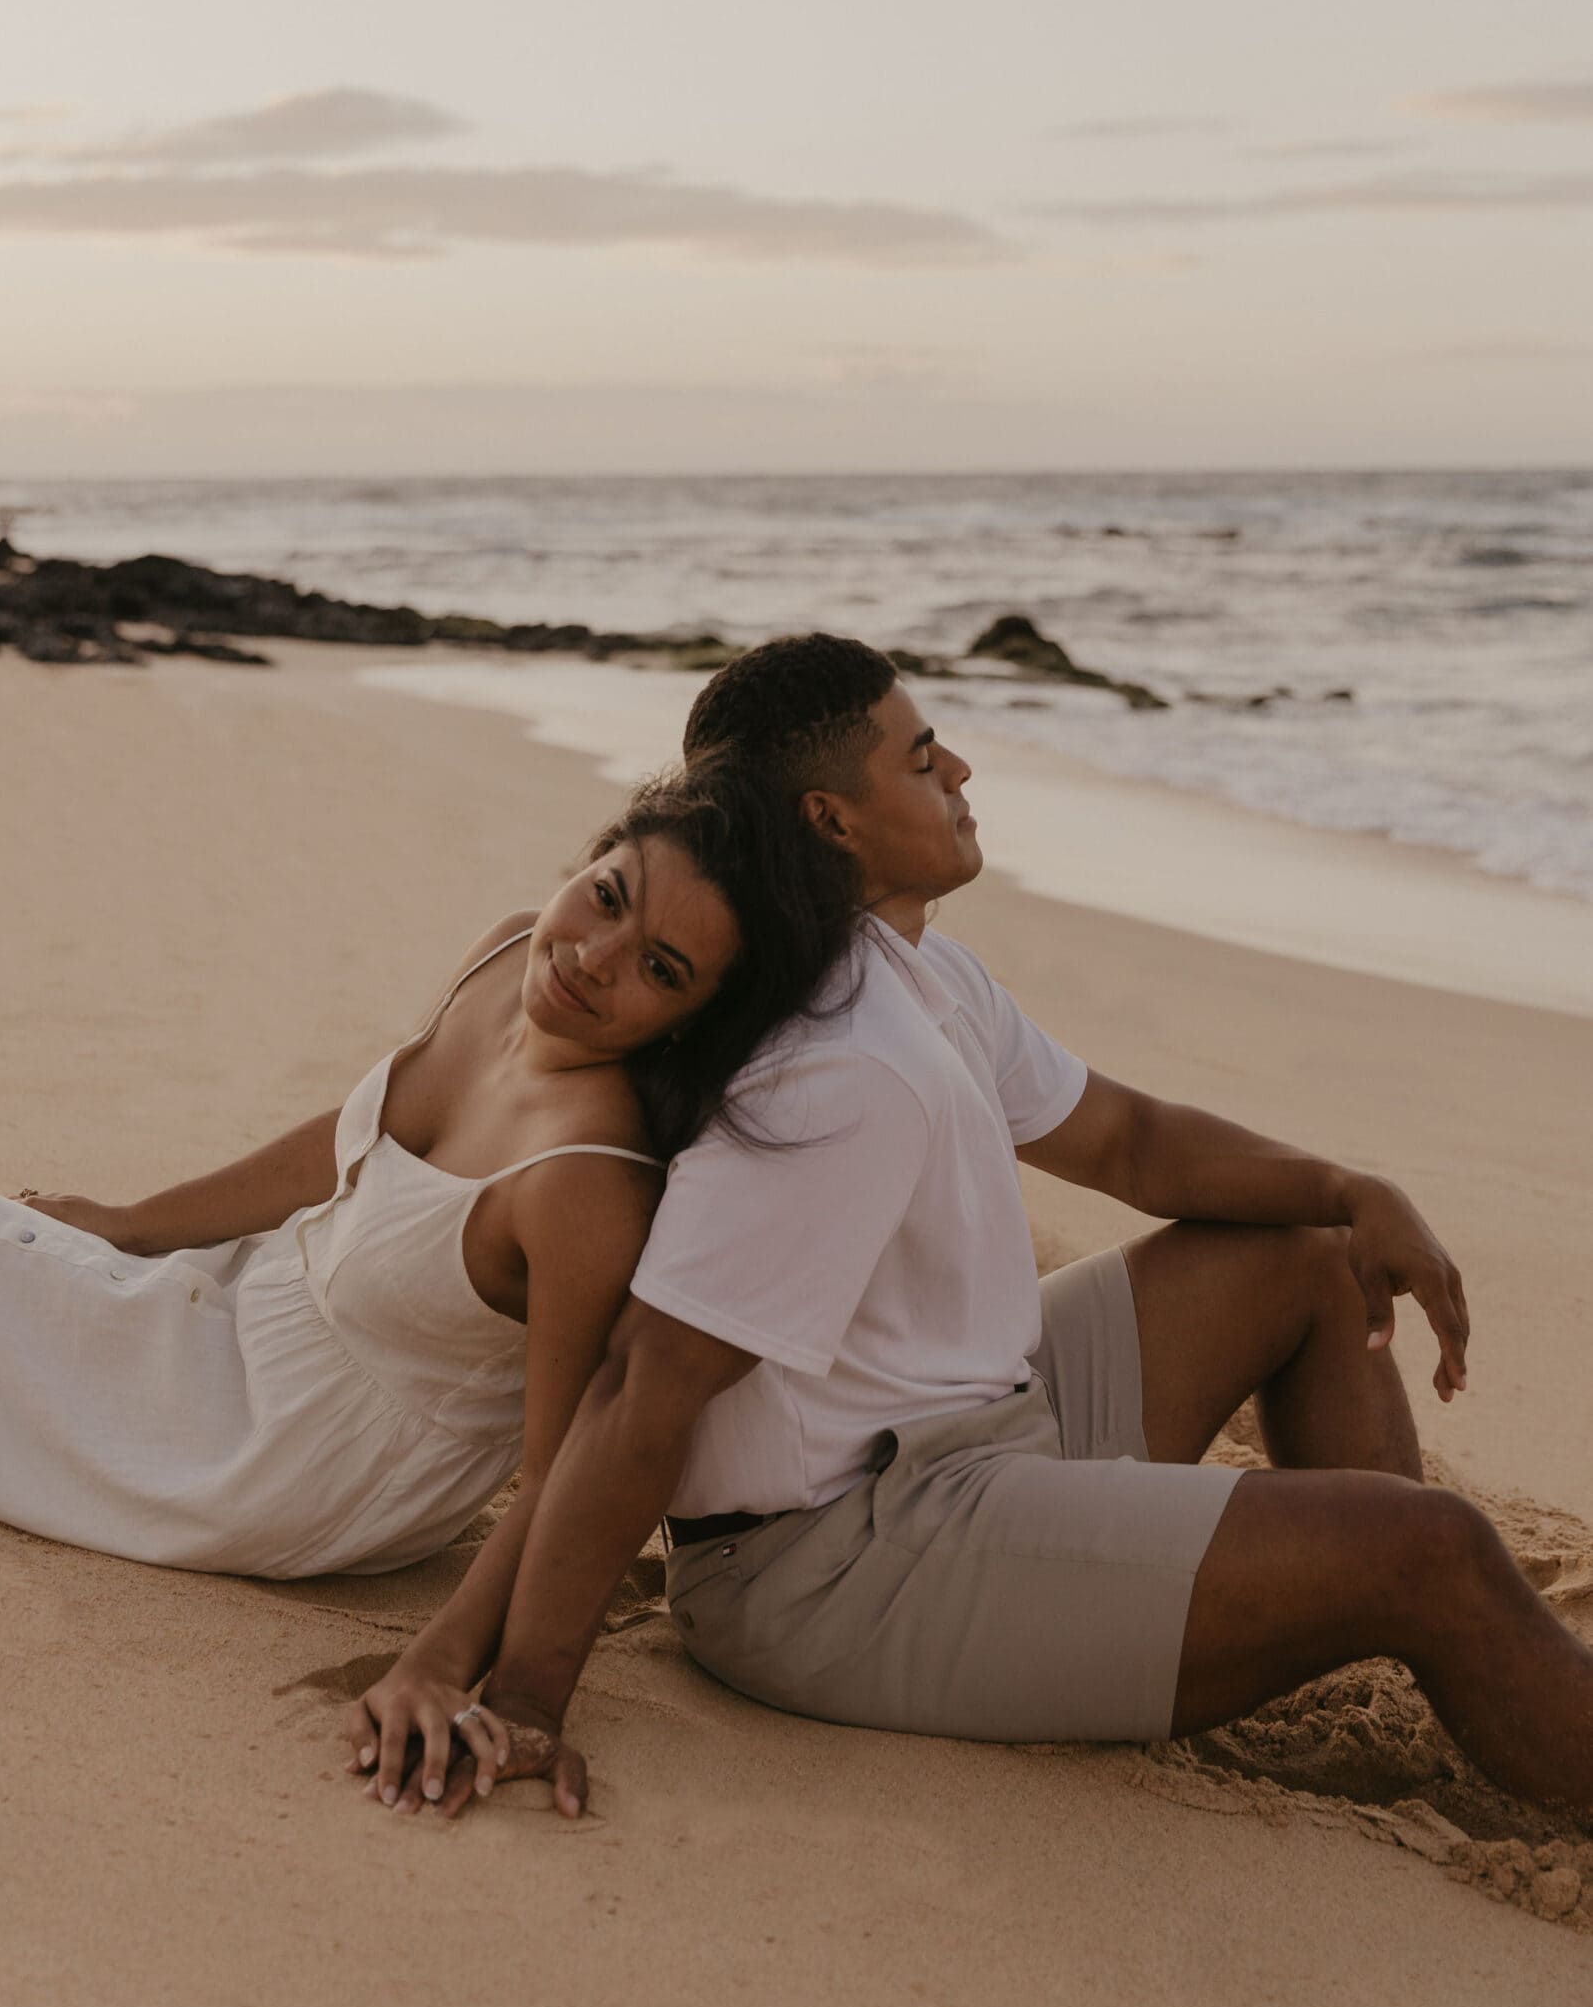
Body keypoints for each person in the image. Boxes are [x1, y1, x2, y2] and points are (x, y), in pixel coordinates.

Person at [405, 633, 1593, 1823]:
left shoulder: (919, 976)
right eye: (922, 760)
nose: (961, 769)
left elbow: (1130, 1140)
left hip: (979, 1421)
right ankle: (1419, 1605)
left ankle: (1400, 1623)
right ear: (832, 821)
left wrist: (1350, 1188)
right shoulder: (834, 1063)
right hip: (836, 1561)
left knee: (1310, 1260)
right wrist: (525, 1695)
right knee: (1431, 1545)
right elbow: (642, 1389)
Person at [0, 762, 856, 1759]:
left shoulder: (584, 1186)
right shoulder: (510, 951)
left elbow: (560, 1472)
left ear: (689, 1020)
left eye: (660, 968)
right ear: (591, 858)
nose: (595, 956)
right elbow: (349, 1142)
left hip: (292, 1460)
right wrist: (137, 1222)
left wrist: (446, 1665)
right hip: (244, 1311)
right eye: (607, 895)